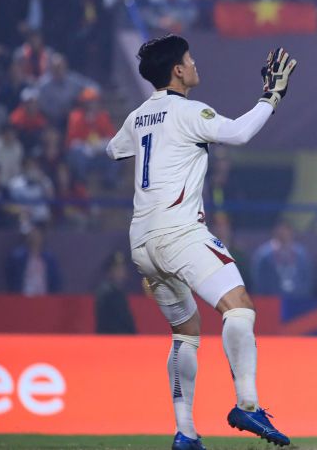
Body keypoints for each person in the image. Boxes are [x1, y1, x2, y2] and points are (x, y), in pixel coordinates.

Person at [105, 35, 297, 450]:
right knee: (240, 308)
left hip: (142, 239)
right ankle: (247, 404)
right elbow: (240, 133)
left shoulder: (138, 116)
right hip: (180, 231)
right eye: (189, 60)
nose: (195, 65)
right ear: (177, 70)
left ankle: (186, 433)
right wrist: (272, 95)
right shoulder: (190, 111)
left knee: (185, 332)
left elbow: (112, 150)